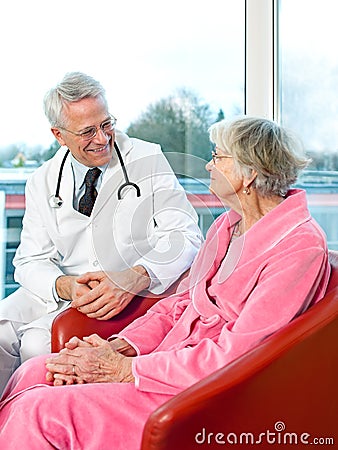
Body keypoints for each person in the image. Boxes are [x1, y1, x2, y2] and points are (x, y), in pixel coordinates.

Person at [0, 117, 330, 449]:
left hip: (206, 391)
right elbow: (179, 305)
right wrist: (118, 347)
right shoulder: (228, 227)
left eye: (218, 156)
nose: (208, 165)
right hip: (167, 360)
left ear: (249, 173)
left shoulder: (300, 248)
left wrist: (128, 370)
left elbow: (238, 354)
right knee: (34, 372)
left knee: (38, 411)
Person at [0, 72, 203, 394]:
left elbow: (185, 236)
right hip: (66, 288)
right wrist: (64, 286)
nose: (102, 138)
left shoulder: (146, 159)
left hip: (132, 289)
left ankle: (36, 430)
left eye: (107, 124)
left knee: (37, 346)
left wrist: (135, 276)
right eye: (87, 131)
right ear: (59, 135)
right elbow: (29, 260)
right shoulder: (42, 179)